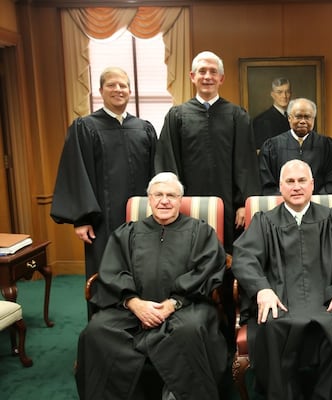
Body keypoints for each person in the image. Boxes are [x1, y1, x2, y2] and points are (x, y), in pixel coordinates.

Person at [232, 159, 332, 400]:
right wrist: (262, 290)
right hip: (281, 302)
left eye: (302, 181)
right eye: (290, 181)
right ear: (280, 187)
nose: (296, 186)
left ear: (312, 185)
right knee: (271, 327)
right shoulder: (264, 221)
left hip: (329, 301)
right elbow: (244, 257)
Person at [75, 172, 228, 400]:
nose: (164, 201)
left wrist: (173, 303)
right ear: (149, 198)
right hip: (131, 310)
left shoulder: (200, 232)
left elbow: (206, 270)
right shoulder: (127, 233)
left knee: (191, 330)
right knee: (97, 331)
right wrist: (135, 303)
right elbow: (112, 271)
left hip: (185, 307)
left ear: (179, 200)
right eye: (158, 195)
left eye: (171, 195)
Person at [50, 66, 156, 288]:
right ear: (100, 90)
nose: (118, 89)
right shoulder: (85, 127)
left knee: (144, 268)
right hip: (101, 220)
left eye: (123, 85)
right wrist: (81, 219)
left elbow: (156, 174)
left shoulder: (144, 128)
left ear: (129, 90)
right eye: (111, 85)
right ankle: (104, 321)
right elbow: (76, 173)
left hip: (141, 218)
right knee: (105, 272)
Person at [155, 50, 260, 252]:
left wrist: (243, 204)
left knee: (228, 256)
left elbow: (246, 164)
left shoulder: (237, 115)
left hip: (229, 206)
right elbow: (168, 161)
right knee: (188, 253)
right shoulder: (177, 116)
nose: (207, 76)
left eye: (213, 72)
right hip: (187, 204)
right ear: (192, 77)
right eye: (202, 71)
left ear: (221, 78)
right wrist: (172, 201)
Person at [259, 98, 332, 196]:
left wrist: (313, 203)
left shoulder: (329, 147)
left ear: (313, 119)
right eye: (298, 116)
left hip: (319, 207)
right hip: (282, 206)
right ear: (289, 118)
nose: (303, 121)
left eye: (307, 117)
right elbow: (267, 184)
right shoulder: (271, 147)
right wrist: (288, 201)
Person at [252, 77, 293, 151]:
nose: (284, 96)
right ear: (273, 95)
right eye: (279, 92)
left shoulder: (294, 117)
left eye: (287, 91)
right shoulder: (261, 121)